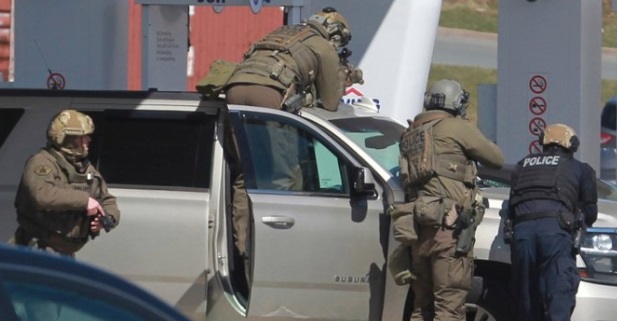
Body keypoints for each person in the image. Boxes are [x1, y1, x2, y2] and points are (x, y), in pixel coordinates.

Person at [223, 7, 362, 261]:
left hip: (234, 89)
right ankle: (276, 250)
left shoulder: (284, 34)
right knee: (283, 174)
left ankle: (241, 246)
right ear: (334, 34)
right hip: (269, 94)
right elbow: (330, 103)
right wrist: (342, 78)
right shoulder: (323, 47)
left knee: (247, 172)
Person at [398, 79, 504, 320]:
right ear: (456, 103)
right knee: (449, 306)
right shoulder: (455, 127)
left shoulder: (412, 132)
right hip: (448, 229)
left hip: (417, 228)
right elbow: (496, 158)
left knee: (421, 307)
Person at [507, 123, 597, 321]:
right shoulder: (580, 169)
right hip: (555, 232)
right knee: (559, 294)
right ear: (571, 146)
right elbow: (590, 213)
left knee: (526, 298)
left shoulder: (522, 165)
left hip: (522, 233)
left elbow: (512, 205)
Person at [10, 109, 120, 257]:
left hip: (63, 252)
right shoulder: (42, 162)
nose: (88, 140)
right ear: (67, 138)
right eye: (83, 137)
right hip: (37, 249)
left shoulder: (83, 167)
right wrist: (84, 201)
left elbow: (106, 198)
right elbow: (42, 194)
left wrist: (108, 218)